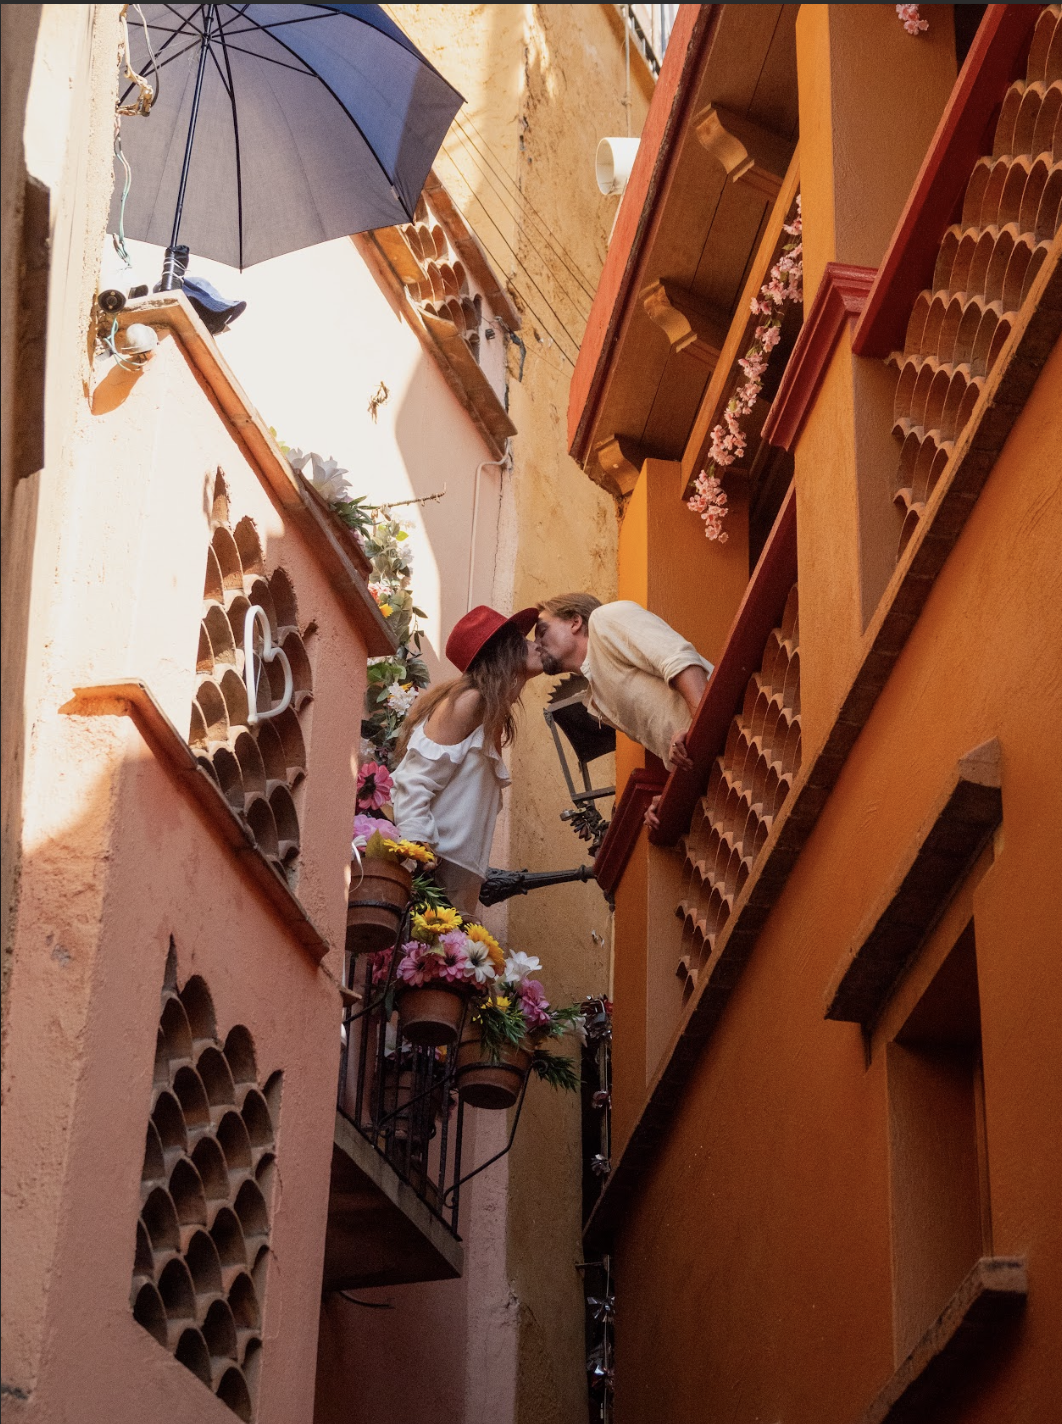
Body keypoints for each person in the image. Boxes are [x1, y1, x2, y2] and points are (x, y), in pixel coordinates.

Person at [390, 604, 542, 914]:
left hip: (457, 875)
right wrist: (418, 853)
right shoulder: (470, 701)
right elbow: (414, 779)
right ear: (504, 651)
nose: (534, 644)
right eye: (522, 640)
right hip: (433, 871)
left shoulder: (490, 712)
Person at [534, 594, 713, 820]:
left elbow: (679, 660)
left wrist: (703, 724)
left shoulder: (605, 619)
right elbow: (666, 735)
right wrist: (671, 793)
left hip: (726, 731)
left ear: (575, 622)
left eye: (542, 631)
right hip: (708, 764)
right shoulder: (595, 699)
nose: (536, 644)